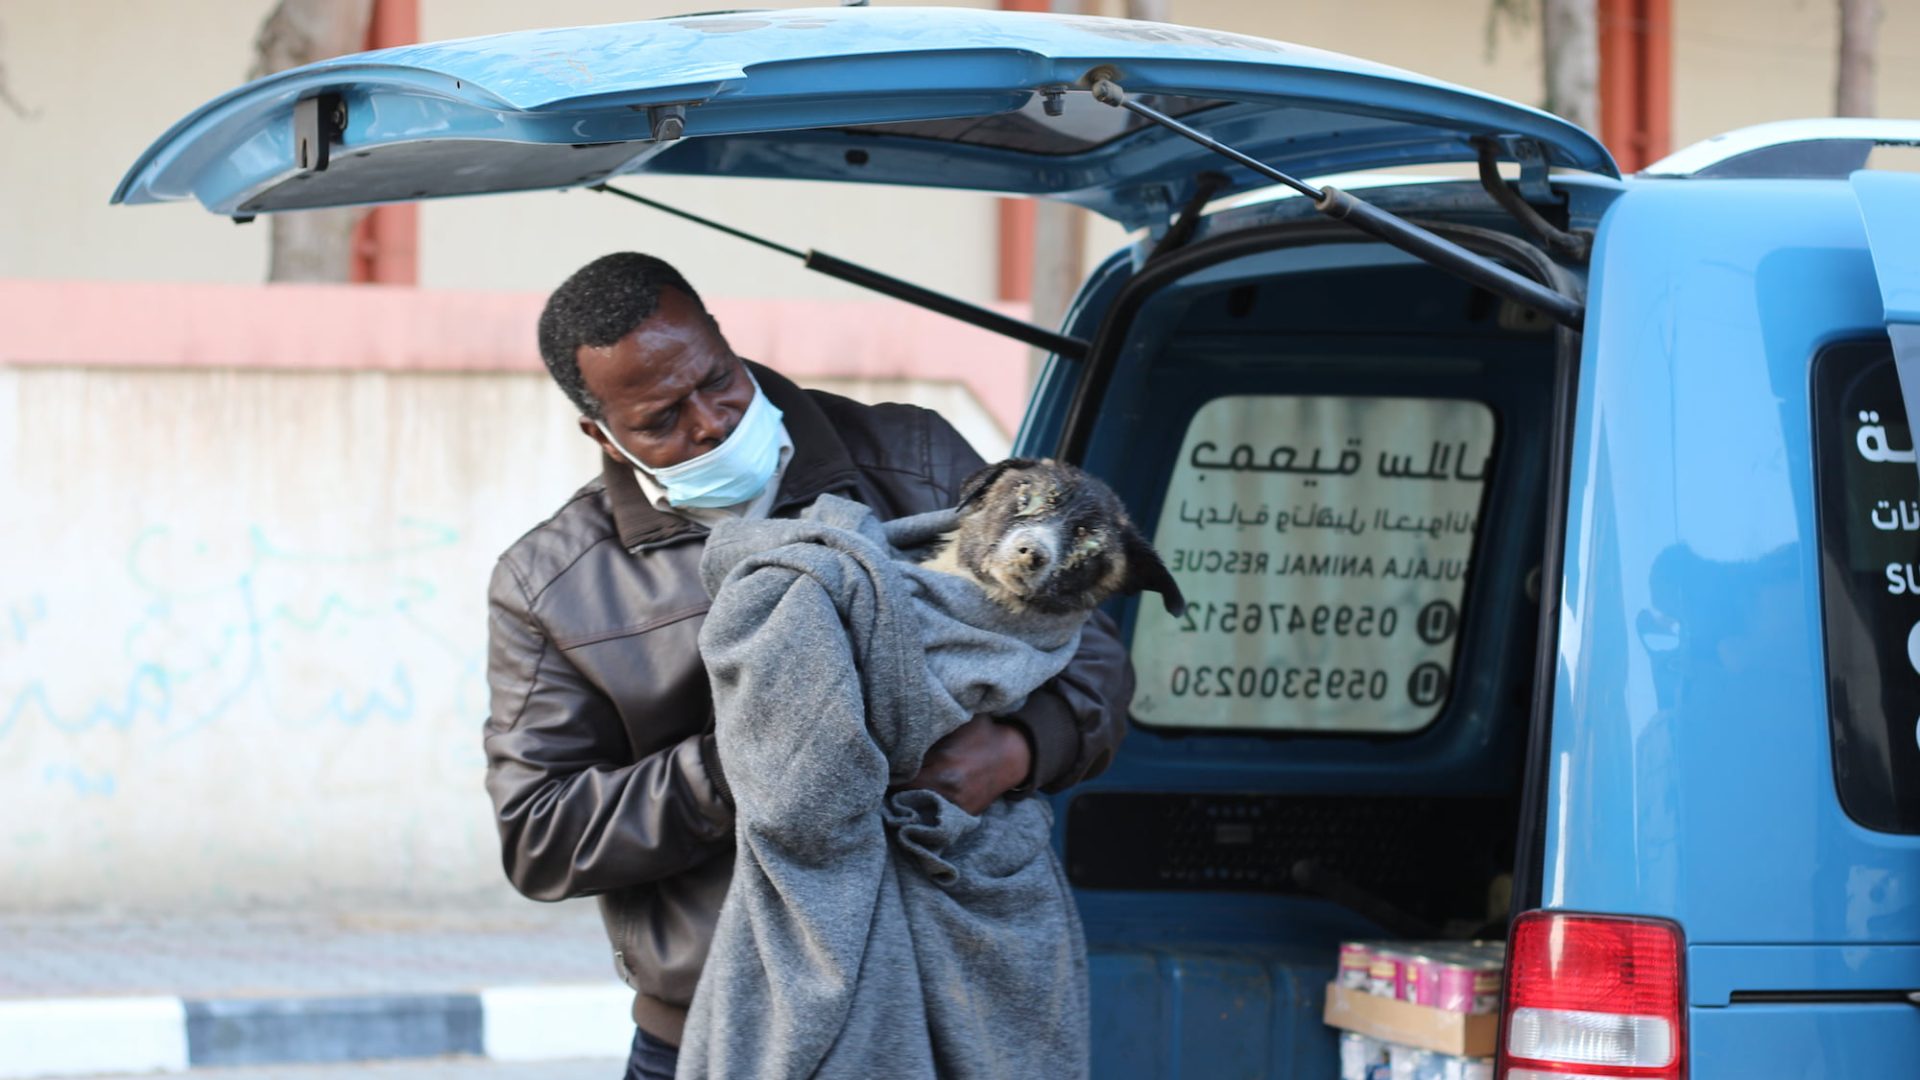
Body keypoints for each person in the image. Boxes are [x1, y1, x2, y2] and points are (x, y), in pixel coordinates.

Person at [482, 253, 1133, 1080]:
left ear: (724, 337)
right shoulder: (553, 585)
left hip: (958, 1004)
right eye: (661, 418)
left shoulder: (915, 456)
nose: (711, 422)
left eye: (717, 380)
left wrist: (1013, 752)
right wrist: (763, 760)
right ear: (599, 431)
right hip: (718, 1030)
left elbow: (1094, 661)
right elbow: (543, 835)